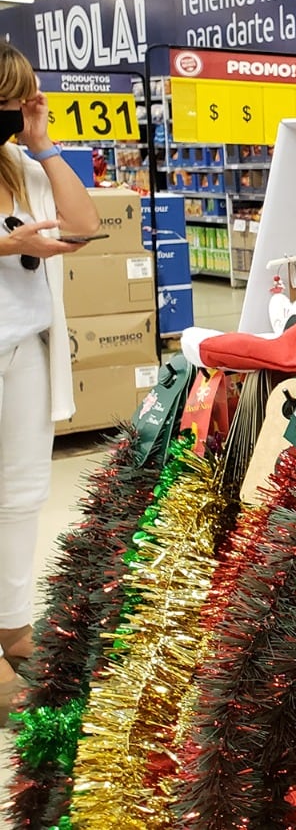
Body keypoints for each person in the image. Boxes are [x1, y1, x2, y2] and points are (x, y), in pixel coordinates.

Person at [0, 44, 99, 708]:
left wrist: (42, 144)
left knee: (23, 494)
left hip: (25, 348)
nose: (14, 109)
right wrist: (7, 244)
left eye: (20, 98)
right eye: (5, 99)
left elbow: (84, 226)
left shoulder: (20, 164)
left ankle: (12, 625)